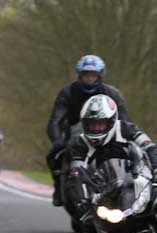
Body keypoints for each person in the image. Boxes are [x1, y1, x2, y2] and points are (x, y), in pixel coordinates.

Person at [68, 94, 157, 233]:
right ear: (84, 124)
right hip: (103, 186)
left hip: (136, 174)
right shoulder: (80, 143)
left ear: (112, 121)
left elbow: (152, 149)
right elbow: (75, 174)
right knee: (90, 227)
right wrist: (81, 201)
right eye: (92, 125)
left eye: (101, 124)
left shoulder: (126, 129)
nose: (96, 129)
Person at [46, 54, 130, 205]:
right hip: (74, 133)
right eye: (86, 75)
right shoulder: (68, 92)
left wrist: (125, 137)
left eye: (93, 75)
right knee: (54, 155)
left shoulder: (113, 93)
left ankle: (125, 187)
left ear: (99, 75)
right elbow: (55, 120)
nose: (89, 79)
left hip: (106, 132)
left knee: (127, 153)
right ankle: (59, 187)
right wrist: (58, 141)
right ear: (80, 75)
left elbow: (124, 120)